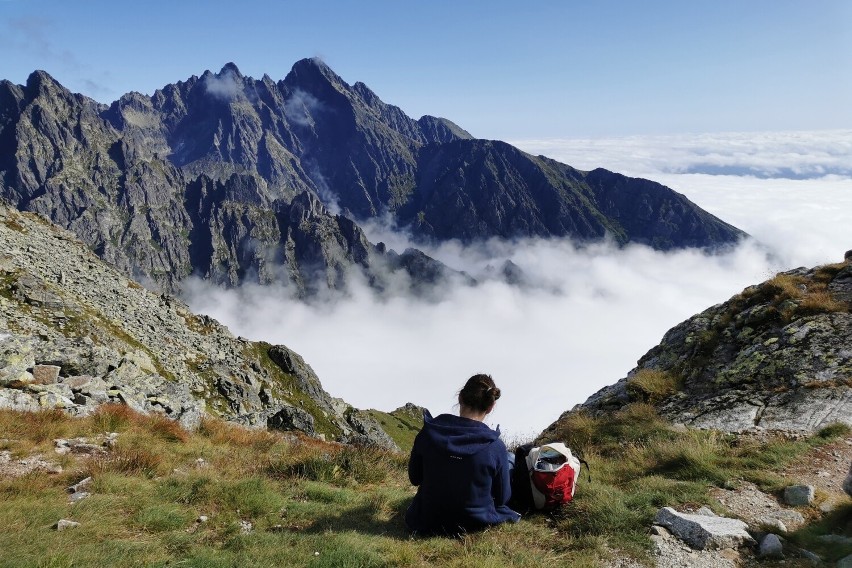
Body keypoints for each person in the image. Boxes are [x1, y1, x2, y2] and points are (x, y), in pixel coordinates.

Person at [405, 374, 521, 536]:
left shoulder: (429, 433)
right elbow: (502, 499)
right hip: (475, 523)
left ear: (460, 398)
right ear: (490, 407)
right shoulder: (495, 446)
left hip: (426, 520)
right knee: (510, 458)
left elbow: (415, 478)